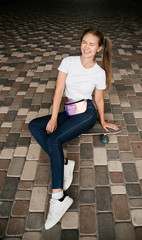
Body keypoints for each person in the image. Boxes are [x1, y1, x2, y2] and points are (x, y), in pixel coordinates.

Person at [28, 28, 119, 230]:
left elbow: (98, 99)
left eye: (92, 44)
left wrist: (102, 121)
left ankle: (58, 198)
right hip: (70, 111)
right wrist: (53, 118)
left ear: (99, 48)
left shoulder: (99, 72)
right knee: (34, 125)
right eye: (84, 42)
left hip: (86, 112)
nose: (86, 47)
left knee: (53, 140)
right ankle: (65, 163)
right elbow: (59, 90)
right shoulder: (68, 62)